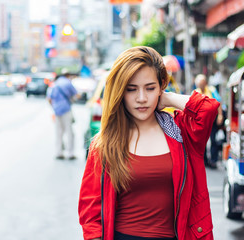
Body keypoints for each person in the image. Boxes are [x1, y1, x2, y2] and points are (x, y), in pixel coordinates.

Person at [78, 46, 219, 240]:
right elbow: (91, 213)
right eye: (131, 89)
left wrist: (167, 97)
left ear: (161, 86)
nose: (142, 98)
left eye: (150, 88)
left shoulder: (180, 132)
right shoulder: (105, 143)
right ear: (120, 92)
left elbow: (208, 109)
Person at [47, 69, 79, 160]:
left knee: (59, 132)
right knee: (69, 132)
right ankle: (70, 153)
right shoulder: (68, 83)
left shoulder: (55, 84)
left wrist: (54, 107)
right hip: (66, 110)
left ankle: (58, 152)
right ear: (68, 75)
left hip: (57, 111)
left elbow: (49, 99)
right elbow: (76, 95)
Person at [194, 74, 224, 169]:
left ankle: (213, 160)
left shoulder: (212, 90)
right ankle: (205, 160)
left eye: (202, 83)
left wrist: (220, 115)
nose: (200, 85)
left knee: (213, 139)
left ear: (205, 83)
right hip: (201, 120)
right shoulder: (195, 92)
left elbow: (218, 102)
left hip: (213, 119)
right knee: (202, 140)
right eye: (199, 84)